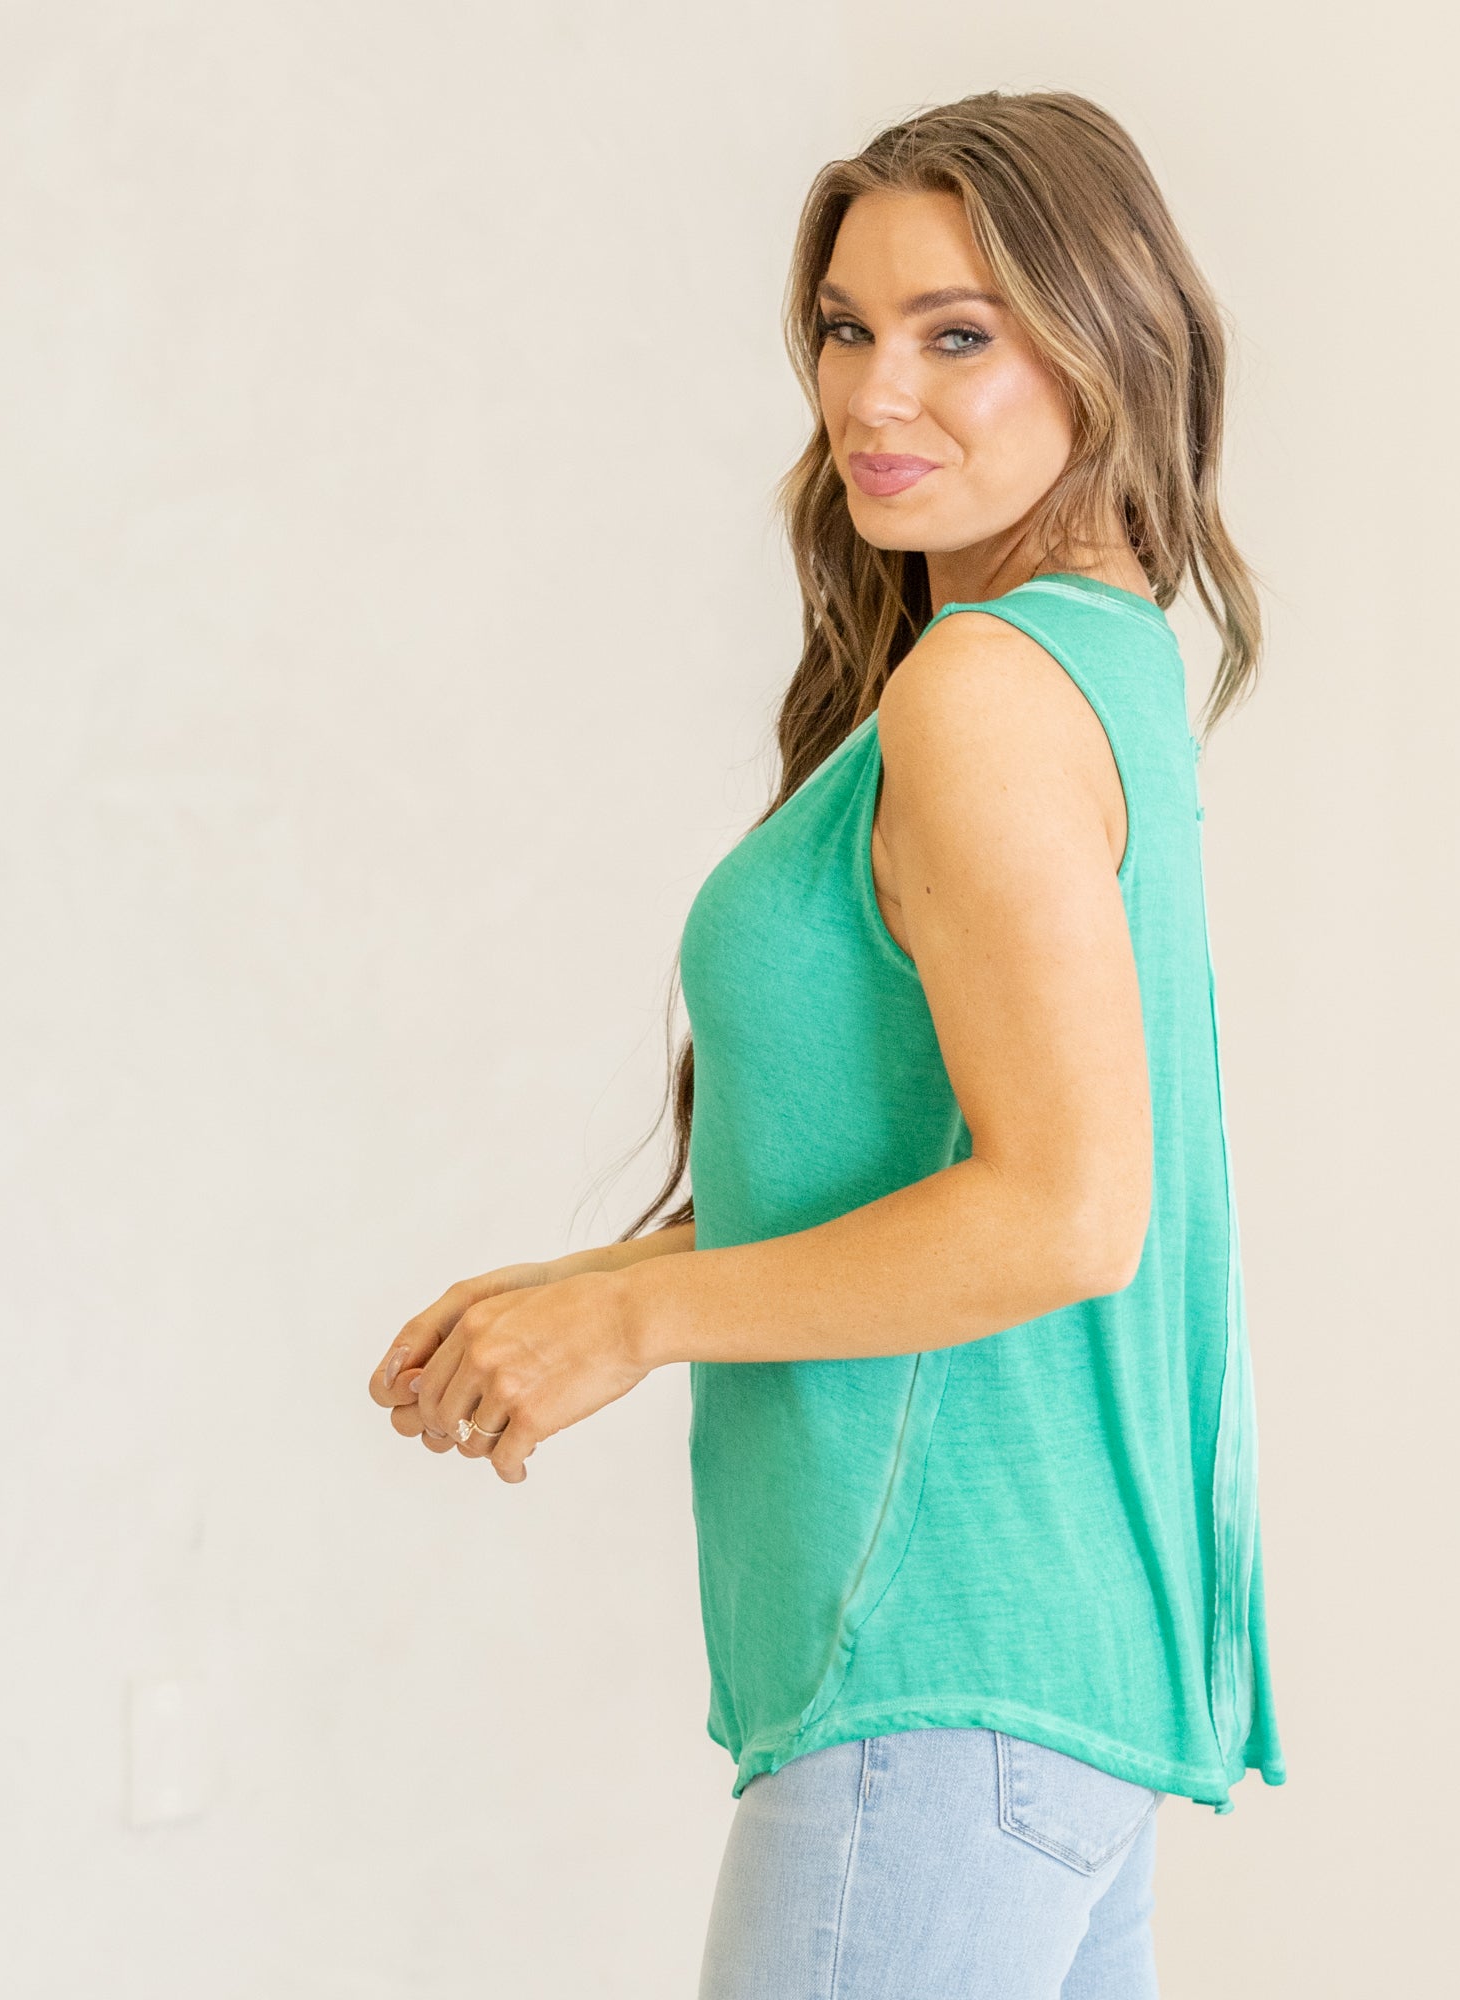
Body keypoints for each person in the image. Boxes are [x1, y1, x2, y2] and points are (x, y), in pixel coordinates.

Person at [367, 88, 1284, 2000]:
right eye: (849, 329)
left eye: (958, 335)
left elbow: (1065, 1212)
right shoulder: (1100, 662)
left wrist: (636, 1318)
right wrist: (587, 1287)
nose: (876, 394)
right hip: (1044, 1690)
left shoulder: (985, 690)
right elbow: (928, 1167)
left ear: (1103, 344)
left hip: (943, 1677)